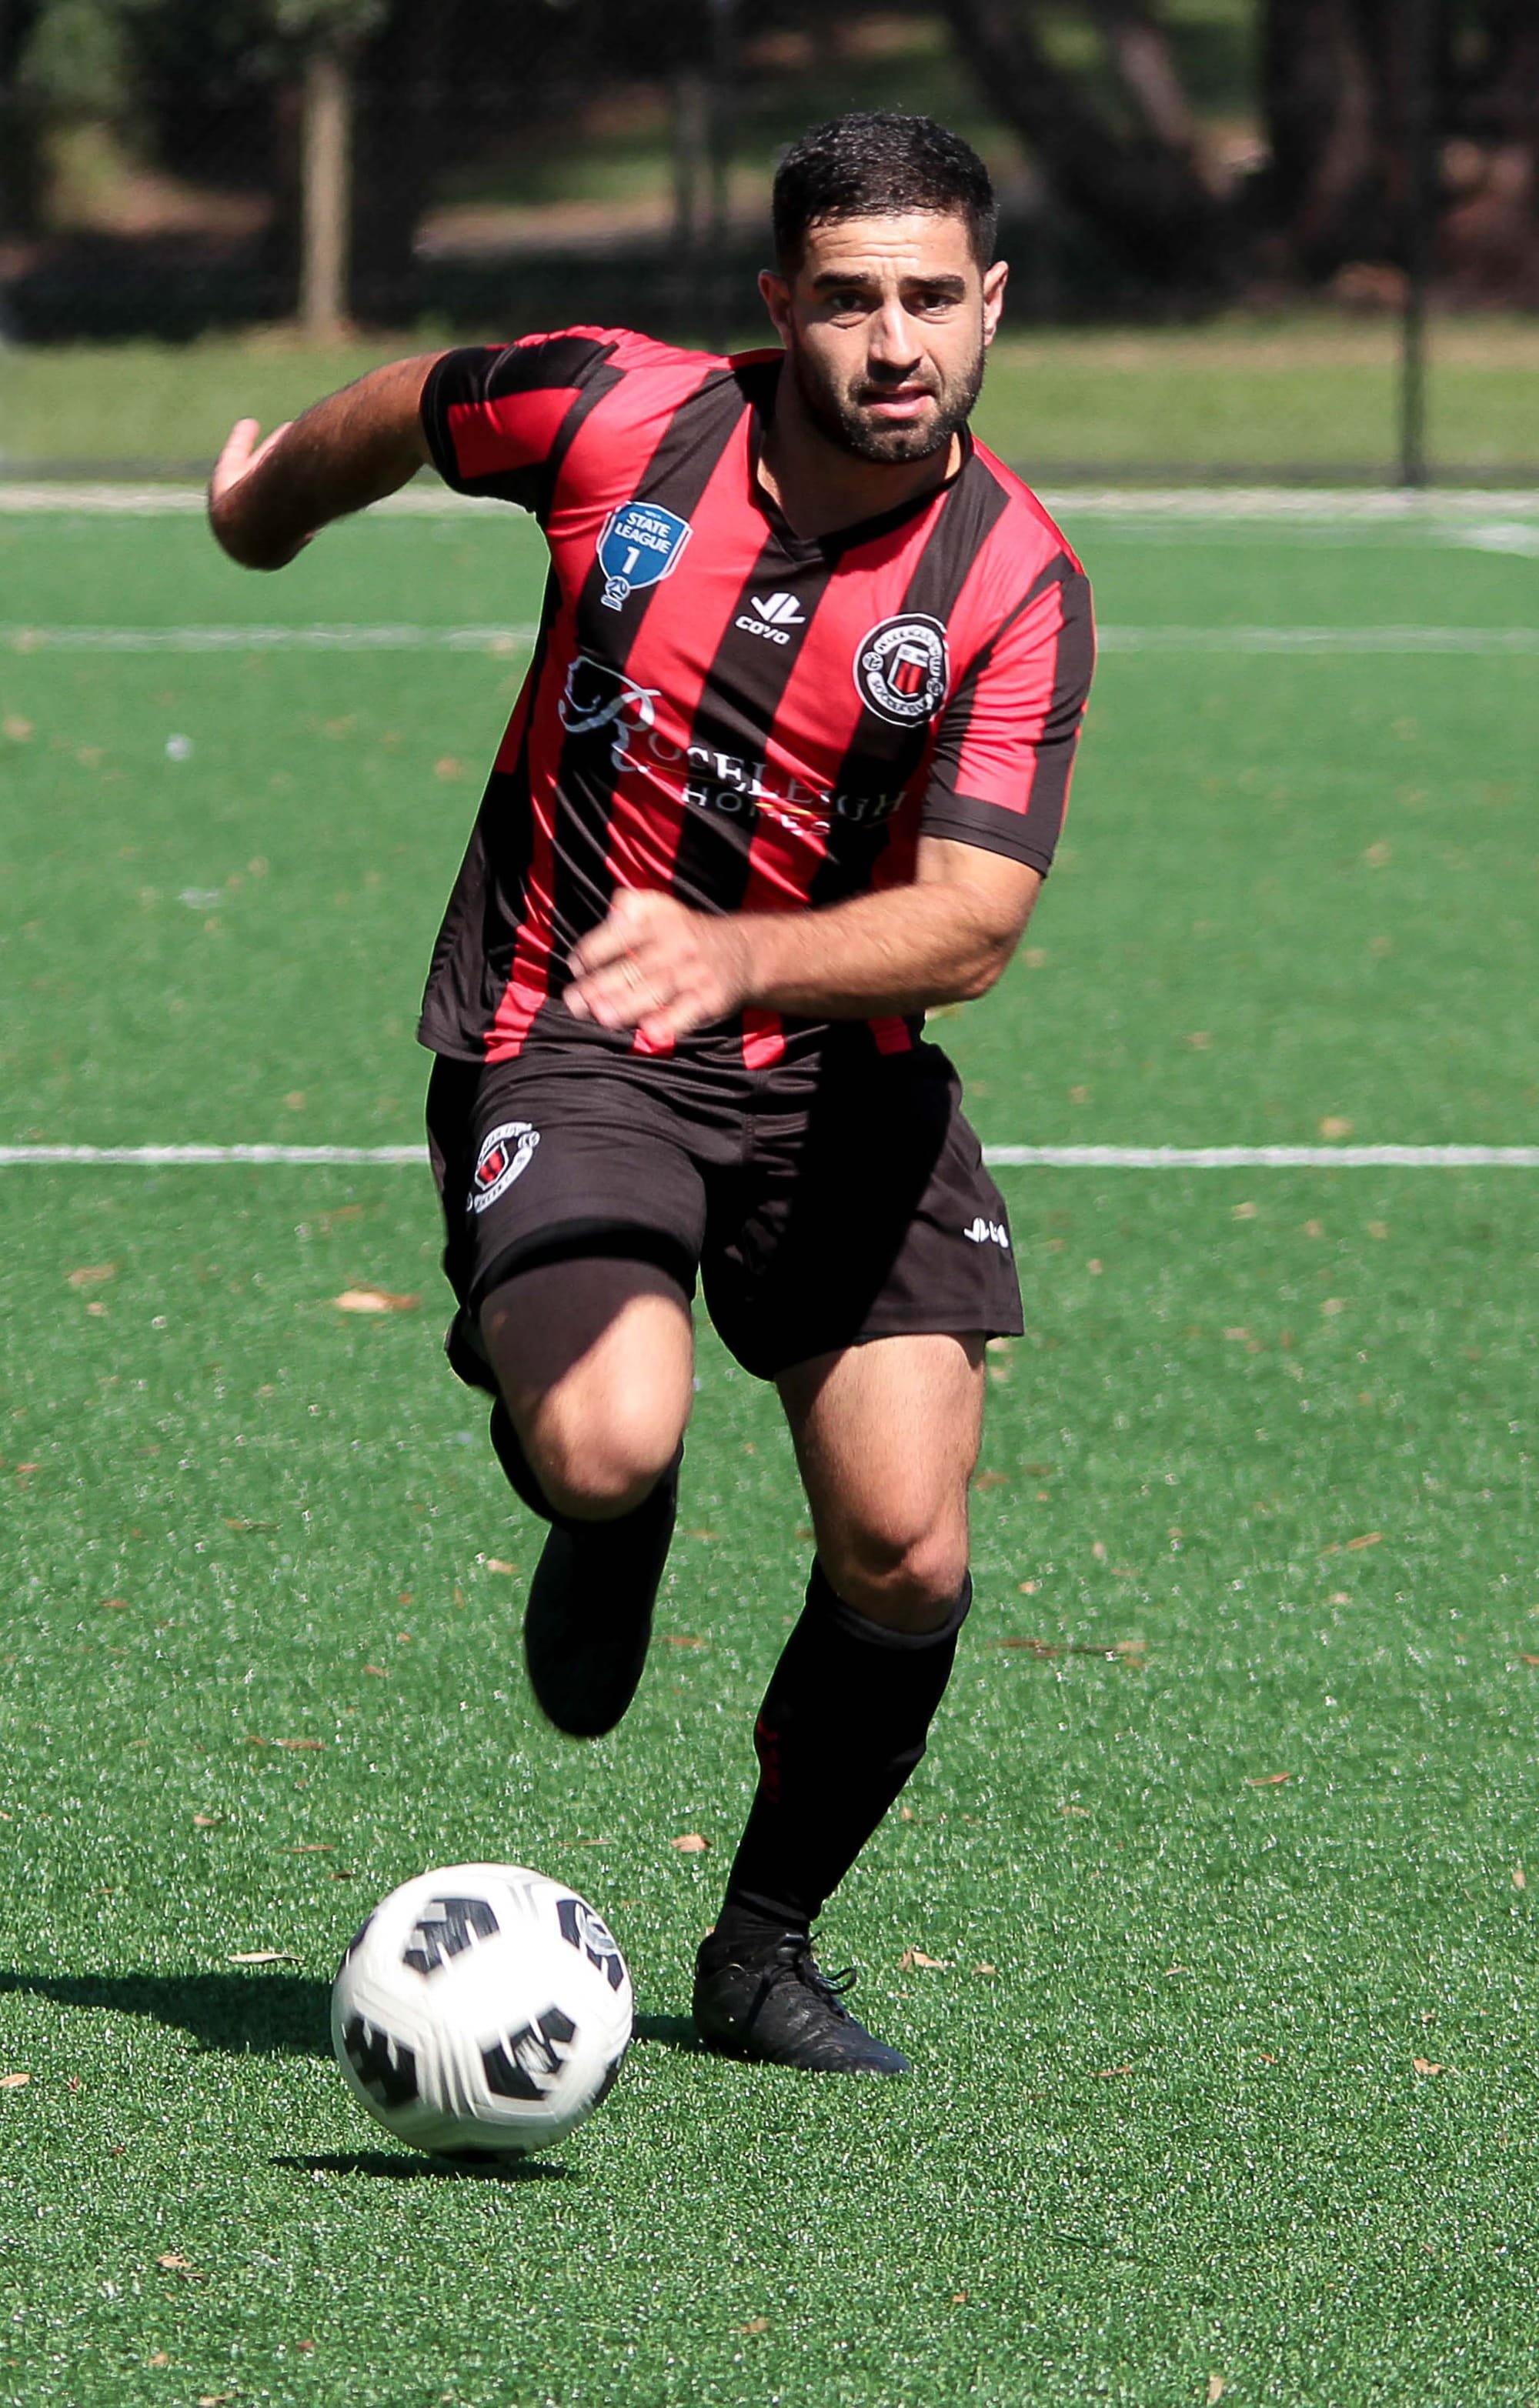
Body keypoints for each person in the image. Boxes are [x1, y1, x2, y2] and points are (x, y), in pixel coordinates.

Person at [208, 110, 1093, 2077]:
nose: (895, 343)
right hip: (573, 1025)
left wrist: (747, 953)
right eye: (850, 299)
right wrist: (266, 502)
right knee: (610, 1440)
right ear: (777, 306)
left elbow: (968, 924)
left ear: (990, 305)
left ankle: (762, 1944)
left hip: (837, 1080)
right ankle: (605, 1511)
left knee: (907, 1545)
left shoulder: (1016, 579)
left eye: (932, 299)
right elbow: (415, 404)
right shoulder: (620, 416)